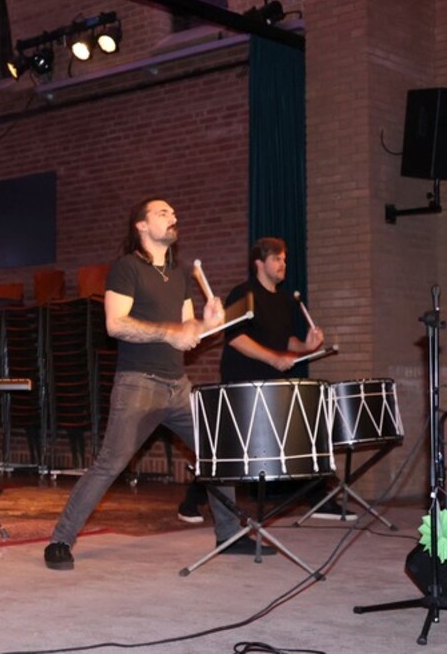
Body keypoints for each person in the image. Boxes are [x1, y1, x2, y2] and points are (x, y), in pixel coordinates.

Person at [44, 197, 275, 571]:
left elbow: (188, 332)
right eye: (163, 212)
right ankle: (60, 540)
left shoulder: (179, 274)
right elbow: (115, 324)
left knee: (217, 453)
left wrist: (209, 322)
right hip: (138, 384)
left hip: (177, 386)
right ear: (141, 225)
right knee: (110, 464)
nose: (173, 216)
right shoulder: (127, 268)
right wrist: (170, 332)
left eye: (173, 212)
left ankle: (229, 535)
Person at [176, 236, 351, 520]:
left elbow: (285, 341)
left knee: (295, 437)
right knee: (230, 448)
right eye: (276, 259)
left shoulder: (284, 300)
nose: (283, 264)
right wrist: (273, 358)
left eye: (284, 259)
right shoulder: (243, 294)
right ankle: (191, 501)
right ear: (259, 263)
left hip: (272, 383)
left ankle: (318, 497)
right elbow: (234, 337)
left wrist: (306, 346)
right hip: (242, 382)